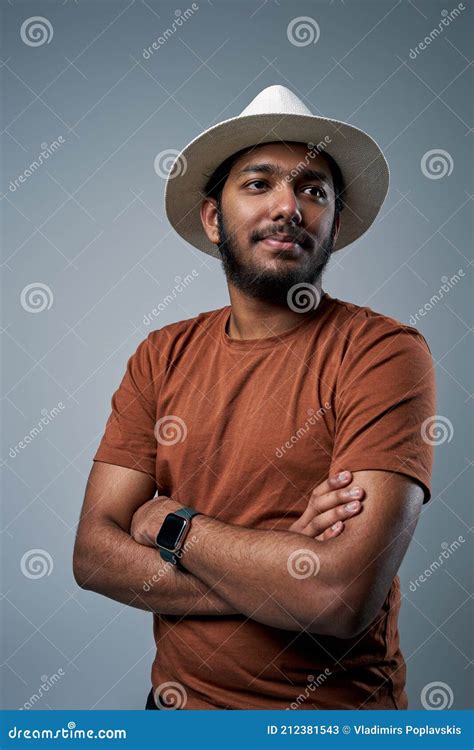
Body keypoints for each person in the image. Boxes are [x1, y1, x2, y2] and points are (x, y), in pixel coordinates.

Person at [73, 85, 435, 710]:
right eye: (260, 184)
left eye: (313, 190)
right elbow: (93, 555)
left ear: (335, 225)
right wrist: (281, 571)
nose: (289, 207)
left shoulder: (383, 353)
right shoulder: (162, 355)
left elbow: (341, 597)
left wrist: (172, 525)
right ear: (214, 218)